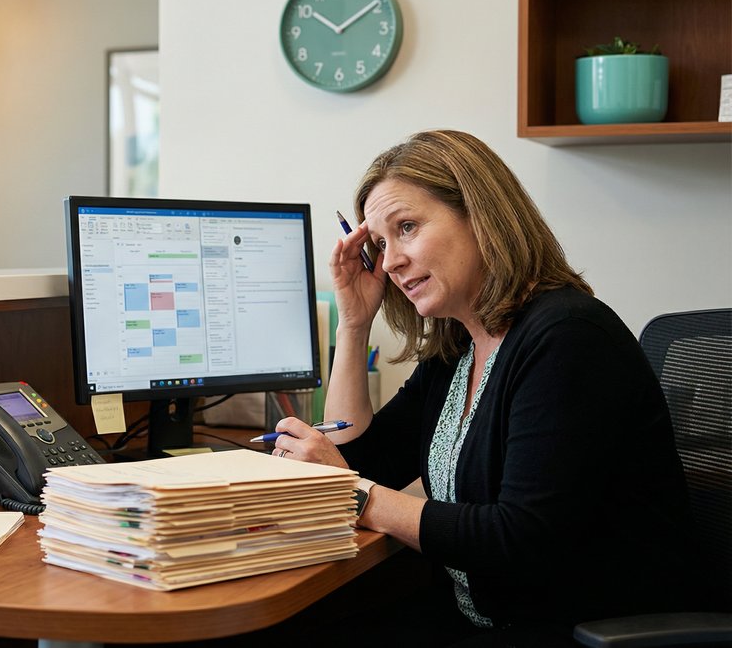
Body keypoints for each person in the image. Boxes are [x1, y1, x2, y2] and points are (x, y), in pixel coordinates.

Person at [269, 130, 694, 645]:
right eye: (379, 245)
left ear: (481, 216)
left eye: (407, 228)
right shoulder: (460, 346)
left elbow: (517, 539)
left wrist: (355, 495)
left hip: (576, 630)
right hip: (483, 620)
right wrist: (353, 325)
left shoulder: (569, 337)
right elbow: (362, 462)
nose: (389, 261)